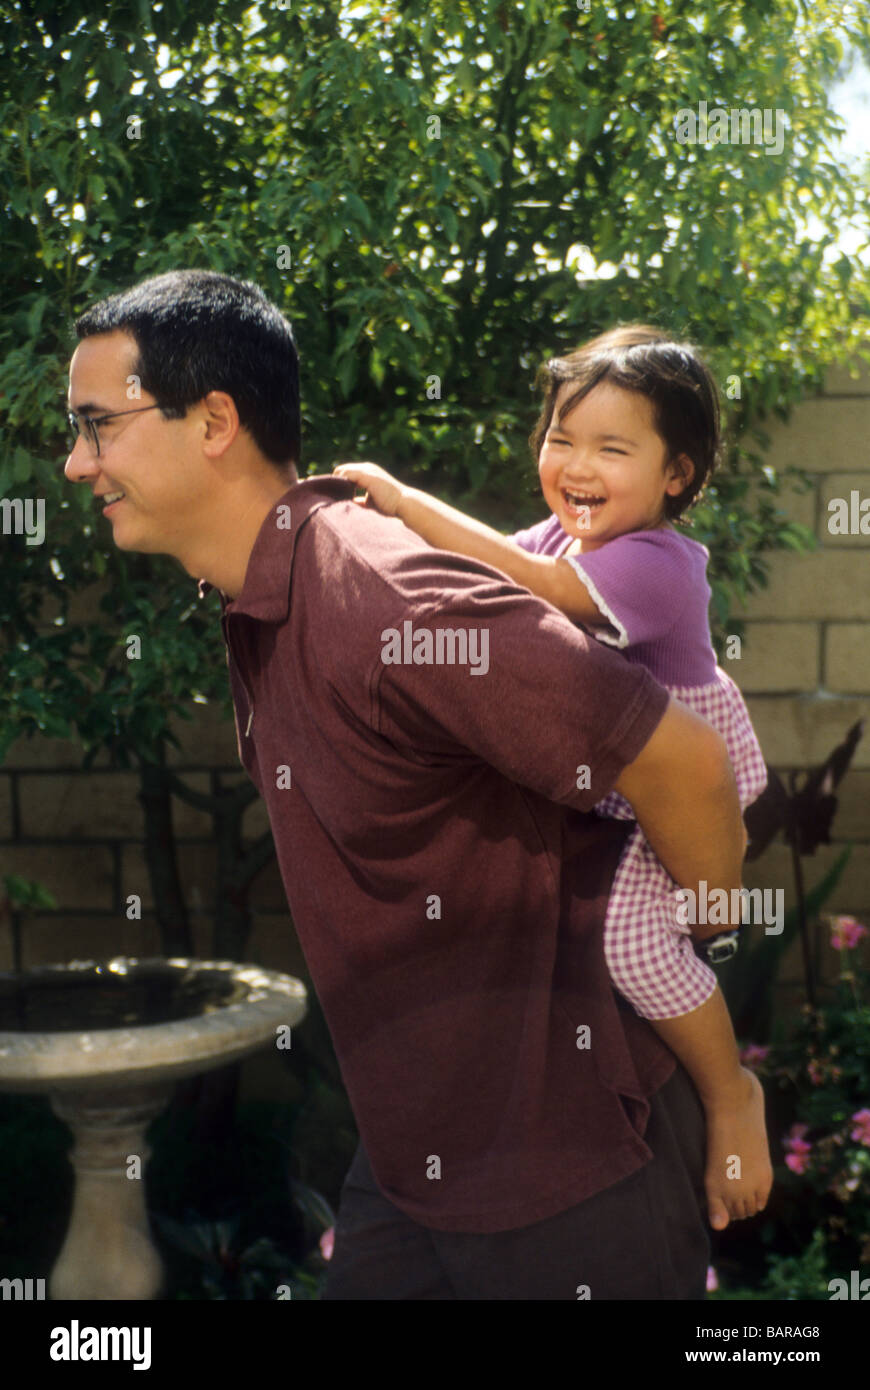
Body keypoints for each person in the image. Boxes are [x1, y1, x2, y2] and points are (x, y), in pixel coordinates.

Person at [65, 270, 748, 1300]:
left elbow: (687, 762)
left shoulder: (385, 598)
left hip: (573, 1175)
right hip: (412, 1166)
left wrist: (696, 939)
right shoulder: (272, 597)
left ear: (213, 421)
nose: (77, 464)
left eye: (96, 426)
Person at [335, 325, 773, 1234]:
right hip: (618, 773)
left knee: (636, 947)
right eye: (561, 438)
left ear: (677, 476)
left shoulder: (655, 565)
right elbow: (482, 568)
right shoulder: (568, 533)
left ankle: (732, 1093)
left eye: (613, 448)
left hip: (677, 778)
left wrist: (405, 502)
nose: (576, 464)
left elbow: (527, 583)